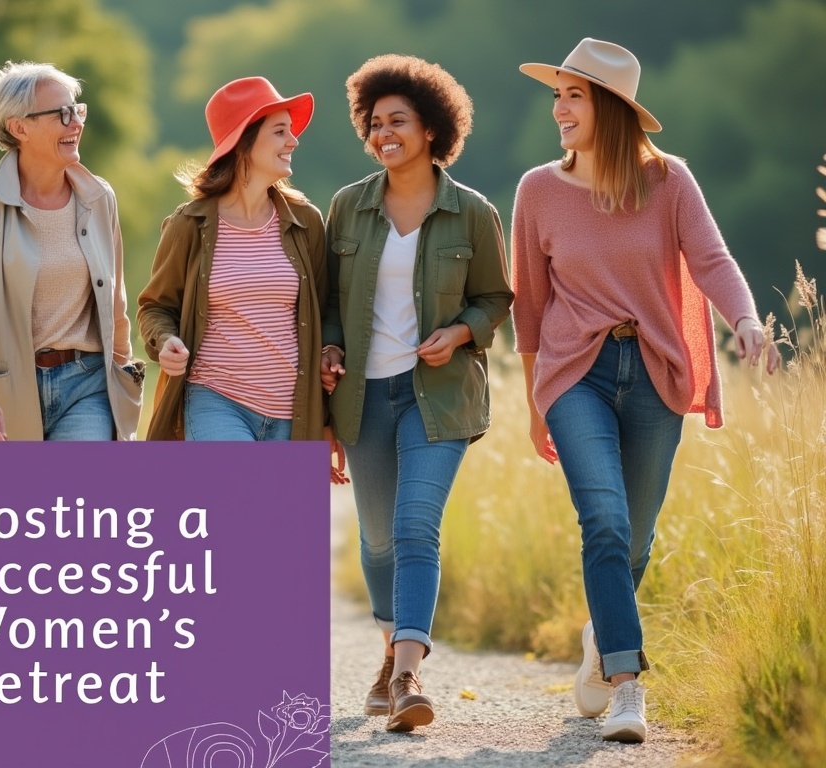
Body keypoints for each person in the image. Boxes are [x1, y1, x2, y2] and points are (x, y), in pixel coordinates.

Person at [511, 38, 781, 743]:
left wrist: (746, 320)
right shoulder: (537, 190)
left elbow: (713, 260)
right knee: (602, 518)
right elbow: (530, 306)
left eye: (574, 95)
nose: (559, 108)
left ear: (611, 108)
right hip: (575, 371)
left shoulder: (670, 182)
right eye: (558, 94)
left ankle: (602, 639)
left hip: (656, 369)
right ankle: (630, 686)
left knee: (633, 536)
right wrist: (533, 399)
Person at [321, 55, 513, 732]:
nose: (384, 134)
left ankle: (407, 674)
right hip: (365, 397)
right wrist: (331, 345)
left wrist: (461, 332)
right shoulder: (348, 206)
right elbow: (328, 306)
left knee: (413, 528)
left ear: (432, 129)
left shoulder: (473, 213)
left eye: (398, 121)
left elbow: (496, 298)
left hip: (440, 395)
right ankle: (389, 652)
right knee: (376, 540)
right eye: (374, 123)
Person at [0, 61, 143, 441]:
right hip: (8, 390)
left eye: (77, 111)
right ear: (19, 128)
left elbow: (115, 299)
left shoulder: (99, 198)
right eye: (61, 114)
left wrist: (123, 372)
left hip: (87, 387)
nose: (76, 123)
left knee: (78, 494)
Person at [138, 76, 327, 442]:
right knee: (238, 499)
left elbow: (326, 305)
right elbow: (155, 306)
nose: (294, 140)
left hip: (293, 412)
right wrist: (165, 342)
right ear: (244, 140)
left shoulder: (306, 222)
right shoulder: (188, 224)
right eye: (280, 131)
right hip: (214, 399)